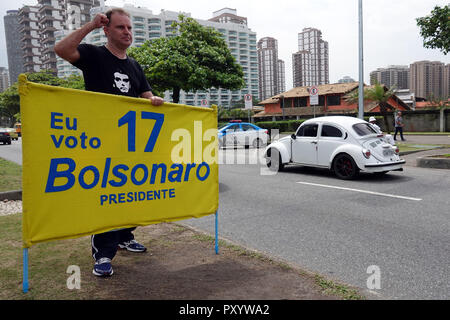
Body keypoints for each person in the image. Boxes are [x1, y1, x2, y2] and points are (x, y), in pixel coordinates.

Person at [54, 8, 164, 277]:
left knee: (132, 194)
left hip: (130, 144)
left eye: (129, 28)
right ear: (107, 30)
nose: (127, 32)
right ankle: (102, 254)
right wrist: (90, 25)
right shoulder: (94, 55)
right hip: (100, 143)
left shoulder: (135, 65)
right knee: (106, 198)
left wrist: (154, 100)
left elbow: (145, 94)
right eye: (120, 28)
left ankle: (125, 235)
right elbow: (61, 49)